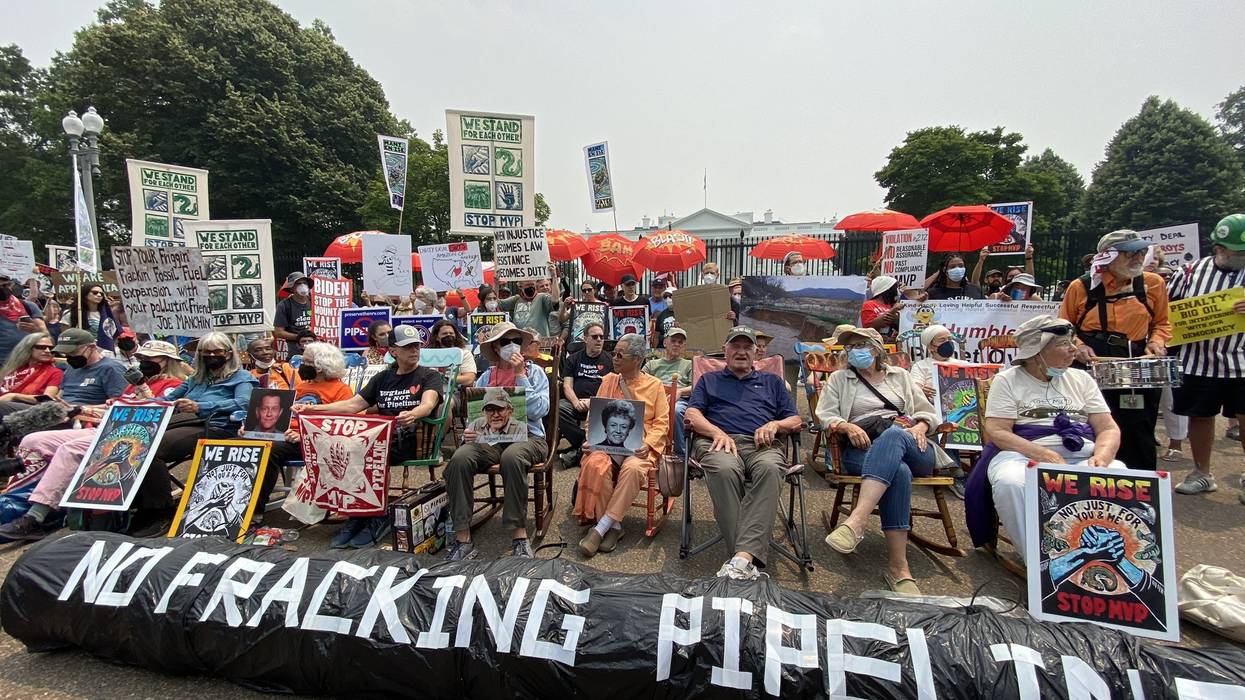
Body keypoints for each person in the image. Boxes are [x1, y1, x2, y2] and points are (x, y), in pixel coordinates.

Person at [965, 316, 1123, 561]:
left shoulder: (1081, 379)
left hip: (1084, 454)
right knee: (1011, 482)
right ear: (1036, 353)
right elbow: (997, 431)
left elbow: (1108, 428)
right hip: (1023, 453)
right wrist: (1045, 455)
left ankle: (1109, 558)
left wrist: (1102, 456)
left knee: (1119, 475)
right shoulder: (1008, 380)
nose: (1073, 349)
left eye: (1072, 342)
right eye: (1063, 344)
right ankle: (1040, 561)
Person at [816, 326, 950, 595]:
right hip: (862, 448)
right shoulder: (840, 380)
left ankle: (857, 521)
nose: (854, 351)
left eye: (860, 345)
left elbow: (928, 413)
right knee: (897, 472)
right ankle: (899, 569)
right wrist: (846, 426)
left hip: (914, 444)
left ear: (876, 349)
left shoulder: (900, 376)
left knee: (894, 436)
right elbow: (824, 415)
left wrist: (920, 428)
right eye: (850, 347)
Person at [295, 325, 444, 546]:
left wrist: (413, 413)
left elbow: (428, 403)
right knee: (342, 450)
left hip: (411, 438)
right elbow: (352, 405)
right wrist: (311, 409)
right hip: (378, 440)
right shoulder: (383, 378)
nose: (414, 351)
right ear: (393, 351)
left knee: (359, 452)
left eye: (416, 346)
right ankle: (360, 516)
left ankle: (372, 516)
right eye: (407, 347)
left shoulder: (429, 375)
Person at [685, 326, 803, 580]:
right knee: (724, 469)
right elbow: (692, 414)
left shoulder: (772, 382)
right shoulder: (710, 380)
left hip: (763, 445)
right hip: (720, 442)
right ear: (725, 352)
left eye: (746, 347)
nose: (741, 352)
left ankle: (739, 560)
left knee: (771, 469)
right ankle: (745, 558)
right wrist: (716, 432)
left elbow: (795, 419)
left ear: (755, 353)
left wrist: (775, 424)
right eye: (735, 347)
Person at [1059, 229, 1171, 472]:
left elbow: (1161, 323)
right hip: (1093, 362)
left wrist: (1157, 342)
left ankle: (1140, 486)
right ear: (1107, 256)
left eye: (1141, 252)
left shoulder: (1153, 283)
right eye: (1129, 253)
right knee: (1092, 424)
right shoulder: (1081, 287)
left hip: (1138, 360)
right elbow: (1065, 327)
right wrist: (1078, 347)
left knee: (1138, 427)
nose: (1138, 258)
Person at [443, 322, 550, 562]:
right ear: (495, 346)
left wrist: (521, 376)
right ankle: (462, 538)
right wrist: (467, 435)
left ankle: (519, 536)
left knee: (512, 457)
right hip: (490, 440)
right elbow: (474, 418)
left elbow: (541, 409)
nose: (511, 346)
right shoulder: (485, 377)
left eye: (515, 340)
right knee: (460, 458)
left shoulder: (535, 373)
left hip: (530, 437)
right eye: (504, 341)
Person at [1166, 213, 1245, 496]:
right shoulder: (1188, 273)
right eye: (1237, 252)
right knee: (1200, 416)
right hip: (1198, 360)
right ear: (1219, 248)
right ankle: (1202, 472)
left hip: (1242, 361)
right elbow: (1168, 310)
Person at [574, 333, 669, 557]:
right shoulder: (608, 380)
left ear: (637, 359)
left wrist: (648, 444)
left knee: (633, 468)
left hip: (639, 446)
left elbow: (662, 423)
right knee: (596, 463)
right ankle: (615, 527)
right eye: (613, 353)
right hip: (608, 444)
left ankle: (601, 527)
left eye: (619, 354)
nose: (614, 358)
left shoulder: (654, 386)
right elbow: (594, 418)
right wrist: (590, 438)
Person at [558, 321, 613, 466]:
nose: (599, 340)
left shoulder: (610, 360)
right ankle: (584, 442)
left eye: (602, 336)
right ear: (585, 338)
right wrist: (576, 402)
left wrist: (593, 401)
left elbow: (614, 387)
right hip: (576, 402)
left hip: (601, 403)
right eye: (595, 337)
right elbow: (567, 386)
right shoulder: (573, 359)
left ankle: (578, 451)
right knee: (558, 409)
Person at [49, 328, 129, 411]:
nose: (70, 357)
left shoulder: (111, 369)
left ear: (92, 347)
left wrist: (80, 409)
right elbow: (61, 394)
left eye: (73, 352)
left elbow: (120, 404)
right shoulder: (71, 367)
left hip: (88, 416)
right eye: (66, 354)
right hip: (62, 412)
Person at [644, 327, 692, 460]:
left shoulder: (688, 364)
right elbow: (639, 381)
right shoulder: (652, 364)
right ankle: (646, 447)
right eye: (673, 341)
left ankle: (681, 456)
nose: (677, 344)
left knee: (676, 410)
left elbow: (697, 386)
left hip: (679, 400)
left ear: (684, 346)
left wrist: (680, 391)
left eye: (680, 342)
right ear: (665, 342)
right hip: (654, 399)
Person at [0, 333, 63, 414]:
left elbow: (47, 399)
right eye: (41, 347)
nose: (47, 351)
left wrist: (13, 396)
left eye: (51, 348)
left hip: (31, 410)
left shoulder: (55, 372)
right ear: (28, 348)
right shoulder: (11, 369)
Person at [0, 272, 47, 361]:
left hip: (24, 364)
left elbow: (46, 336)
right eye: (0, 286)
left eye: (6, 285)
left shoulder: (28, 306)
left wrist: (35, 330)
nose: (3, 289)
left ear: (11, 286)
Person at [908, 324, 961, 400]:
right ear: (931, 347)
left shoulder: (963, 365)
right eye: (942, 340)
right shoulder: (920, 366)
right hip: (931, 409)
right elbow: (913, 390)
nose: (948, 343)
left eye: (949, 339)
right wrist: (921, 391)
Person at [429, 319, 478, 387]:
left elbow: (469, 379)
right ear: (437, 337)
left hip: (456, 394)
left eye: (451, 333)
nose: (449, 335)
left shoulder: (464, 353)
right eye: (444, 334)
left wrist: (445, 378)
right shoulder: (429, 355)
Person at [273, 272, 313, 343]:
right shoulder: (284, 305)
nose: (302, 286)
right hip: (295, 346)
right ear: (291, 288)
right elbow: (278, 332)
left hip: (315, 345)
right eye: (298, 283)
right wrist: (300, 337)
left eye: (305, 283)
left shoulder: (314, 301)